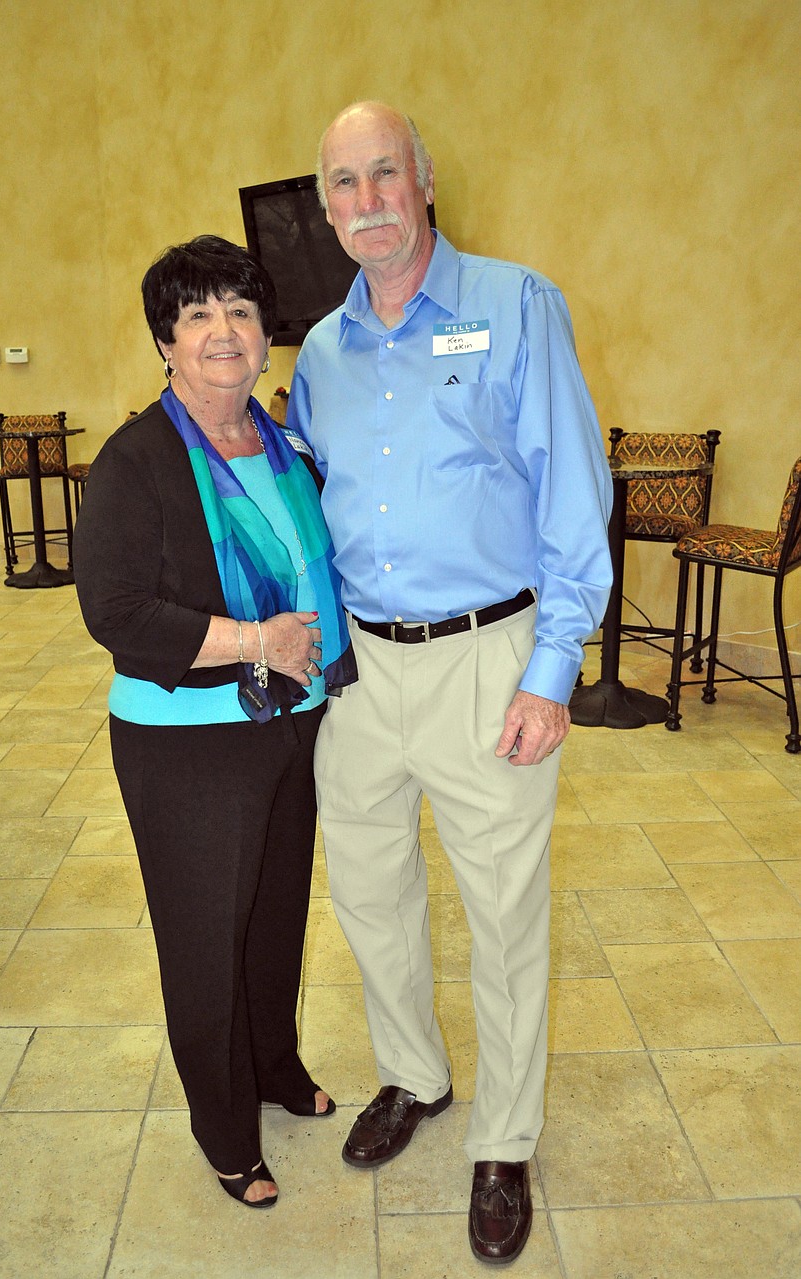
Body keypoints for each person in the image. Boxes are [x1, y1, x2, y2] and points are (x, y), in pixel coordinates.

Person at [287, 103, 613, 1264]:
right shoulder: (320, 353)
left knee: (505, 917)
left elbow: (575, 500)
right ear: (323, 205)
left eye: (385, 173)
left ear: (424, 180)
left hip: (488, 660)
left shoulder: (515, 305)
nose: (366, 198)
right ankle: (414, 1077)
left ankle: (507, 1139)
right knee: (371, 895)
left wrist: (550, 673)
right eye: (342, 182)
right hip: (364, 673)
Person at [73, 235, 356, 1208]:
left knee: (275, 917)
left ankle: (275, 1065)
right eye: (196, 316)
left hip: (292, 721)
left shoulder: (282, 447)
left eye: (238, 309)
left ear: (264, 336)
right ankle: (225, 1125)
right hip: (186, 739)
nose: (221, 332)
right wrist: (251, 642)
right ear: (166, 342)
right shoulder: (137, 459)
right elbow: (114, 612)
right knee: (206, 936)